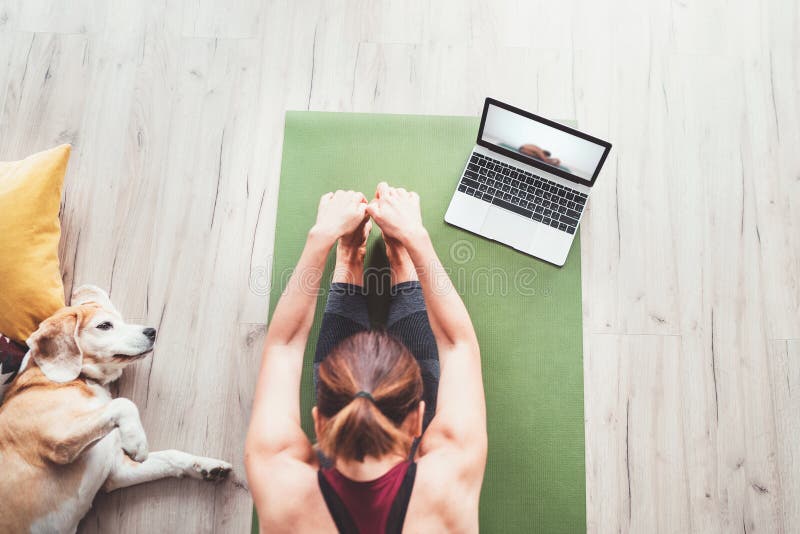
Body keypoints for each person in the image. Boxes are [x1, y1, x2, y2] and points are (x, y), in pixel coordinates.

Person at [245, 183, 487, 533]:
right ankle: (399, 259)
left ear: (320, 423)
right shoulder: (448, 477)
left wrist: (323, 238)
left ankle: (350, 258)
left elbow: (284, 346)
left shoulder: (282, 484)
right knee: (372, 386)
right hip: (409, 468)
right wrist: (415, 239)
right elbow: (457, 344)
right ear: (418, 420)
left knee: (355, 381)